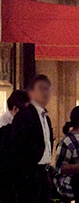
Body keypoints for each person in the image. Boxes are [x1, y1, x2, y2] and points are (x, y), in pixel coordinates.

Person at [11, 75, 56, 203]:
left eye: (48, 88)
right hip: (29, 174)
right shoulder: (24, 115)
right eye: (41, 88)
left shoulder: (46, 117)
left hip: (44, 173)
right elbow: (18, 147)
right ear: (31, 92)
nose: (45, 92)